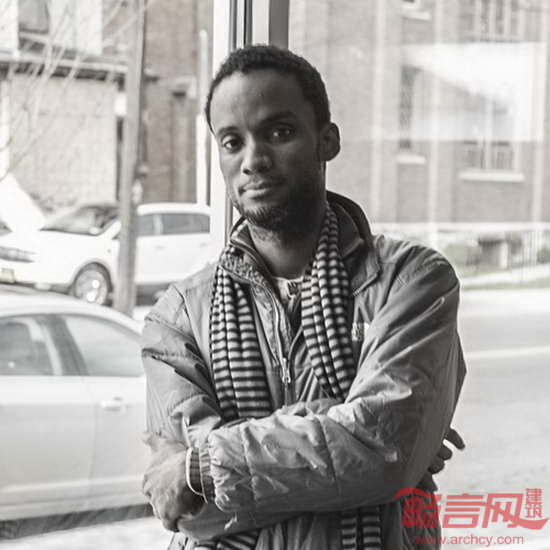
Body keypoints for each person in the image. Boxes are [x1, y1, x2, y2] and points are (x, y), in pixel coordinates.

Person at [141, 44, 466, 550]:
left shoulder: (413, 282)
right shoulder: (176, 318)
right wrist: (351, 433)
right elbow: (188, 509)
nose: (254, 160)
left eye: (279, 132)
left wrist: (202, 465)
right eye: (232, 142)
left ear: (327, 141)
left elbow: (383, 454)